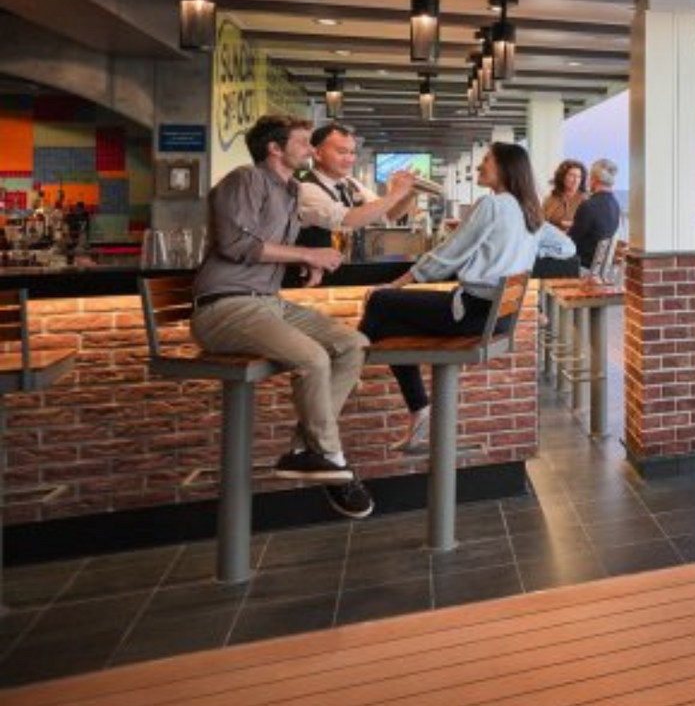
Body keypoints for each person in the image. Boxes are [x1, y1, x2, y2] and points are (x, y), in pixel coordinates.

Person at [191, 114, 374, 518]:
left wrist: (304, 263)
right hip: (224, 304)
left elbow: (272, 245)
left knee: (352, 344)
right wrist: (307, 254)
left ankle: (304, 450)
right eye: (305, 142)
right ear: (275, 148)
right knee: (313, 358)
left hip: (266, 300)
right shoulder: (245, 179)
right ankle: (332, 458)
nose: (312, 149)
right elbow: (237, 244)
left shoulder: (291, 189)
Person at [359, 142, 574, 452]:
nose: (479, 165)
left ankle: (346, 367)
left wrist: (399, 282)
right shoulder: (531, 211)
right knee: (390, 329)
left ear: (504, 167)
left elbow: (449, 254)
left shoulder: (494, 205)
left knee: (380, 301)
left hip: (470, 313)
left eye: (486, 160)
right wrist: (522, 250)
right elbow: (567, 248)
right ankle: (417, 409)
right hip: (496, 320)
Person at [293, 123, 418, 270]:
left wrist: (410, 194)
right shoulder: (305, 188)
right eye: (342, 152)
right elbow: (348, 221)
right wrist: (396, 194)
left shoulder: (350, 183)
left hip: (349, 267)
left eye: (352, 153)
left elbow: (388, 215)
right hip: (320, 272)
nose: (350, 159)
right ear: (317, 154)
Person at [567, 159, 622, 275]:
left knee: (544, 263)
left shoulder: (588, 206)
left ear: (594, 180)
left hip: (583, 267)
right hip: (603, 269)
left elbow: (571, 241)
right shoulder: (615, 205)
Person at [542, 159, 588, 232]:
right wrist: (559, 222)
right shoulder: (551, 198)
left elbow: (587, 225)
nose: (576, 180)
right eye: (572, 175)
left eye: (579, 177)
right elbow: (541, 221)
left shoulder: (586, 200)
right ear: (562, 177)